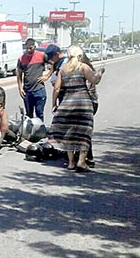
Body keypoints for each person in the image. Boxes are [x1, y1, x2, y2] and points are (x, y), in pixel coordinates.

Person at [49, 45, 104, 173]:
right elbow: (94, 80)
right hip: (83, 104)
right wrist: (100, 73)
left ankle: (71, 162)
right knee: (84, 132)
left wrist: (54, 104)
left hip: (67, 103)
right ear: (80, 56)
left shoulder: (63, 70)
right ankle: (81, 161)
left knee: (69, 133)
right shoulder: (83, 67)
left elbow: (56, 89)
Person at [16, 38, 50, 121]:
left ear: (34, 47)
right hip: (27, 91)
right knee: (29, 115)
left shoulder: (42, 55)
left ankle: (40, 132)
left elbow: (53, 63)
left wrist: (48, 75)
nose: (28, 50)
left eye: (30, 48)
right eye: (27, 48)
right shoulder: (21, 59)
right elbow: (19, 74)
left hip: (39, 90)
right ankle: (30, 132)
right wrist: (20, 88)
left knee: (39, 114)